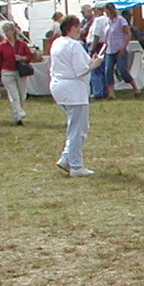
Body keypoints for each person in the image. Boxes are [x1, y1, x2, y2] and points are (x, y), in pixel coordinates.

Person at [49, 17, 104, 177]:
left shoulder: (57, 43)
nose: (80, 30)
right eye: (78, 26)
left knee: (76, 125)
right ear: (71, 28)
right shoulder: (74, 45)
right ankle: (76, 165)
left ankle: (67, 158)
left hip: (60, 87)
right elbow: (81, 69)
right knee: (78, 129)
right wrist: (96, 63)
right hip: (73, 89)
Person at [0, 20, 37, 126]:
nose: (6, 33)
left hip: (20, 71)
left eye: (8, 30)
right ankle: (19, 114)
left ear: (13, 31)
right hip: (7, 72)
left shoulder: (22, 44)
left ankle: (17, 114)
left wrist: (22, 58)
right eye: (4, 31)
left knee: (22, 94)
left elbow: (30, 56)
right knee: (14, 95)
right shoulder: (1, 46)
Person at [100, 2, 139, 98]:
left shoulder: (121, 20)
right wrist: (102, 50)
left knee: (122, 70)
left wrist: (124, 47)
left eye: (108, 12)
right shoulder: (107, 22)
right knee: (108, 71)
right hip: (110, 49)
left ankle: (135, 87)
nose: (107, 14)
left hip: (120, 48)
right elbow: (106, 37)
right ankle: (111, 93)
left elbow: (128, 33)